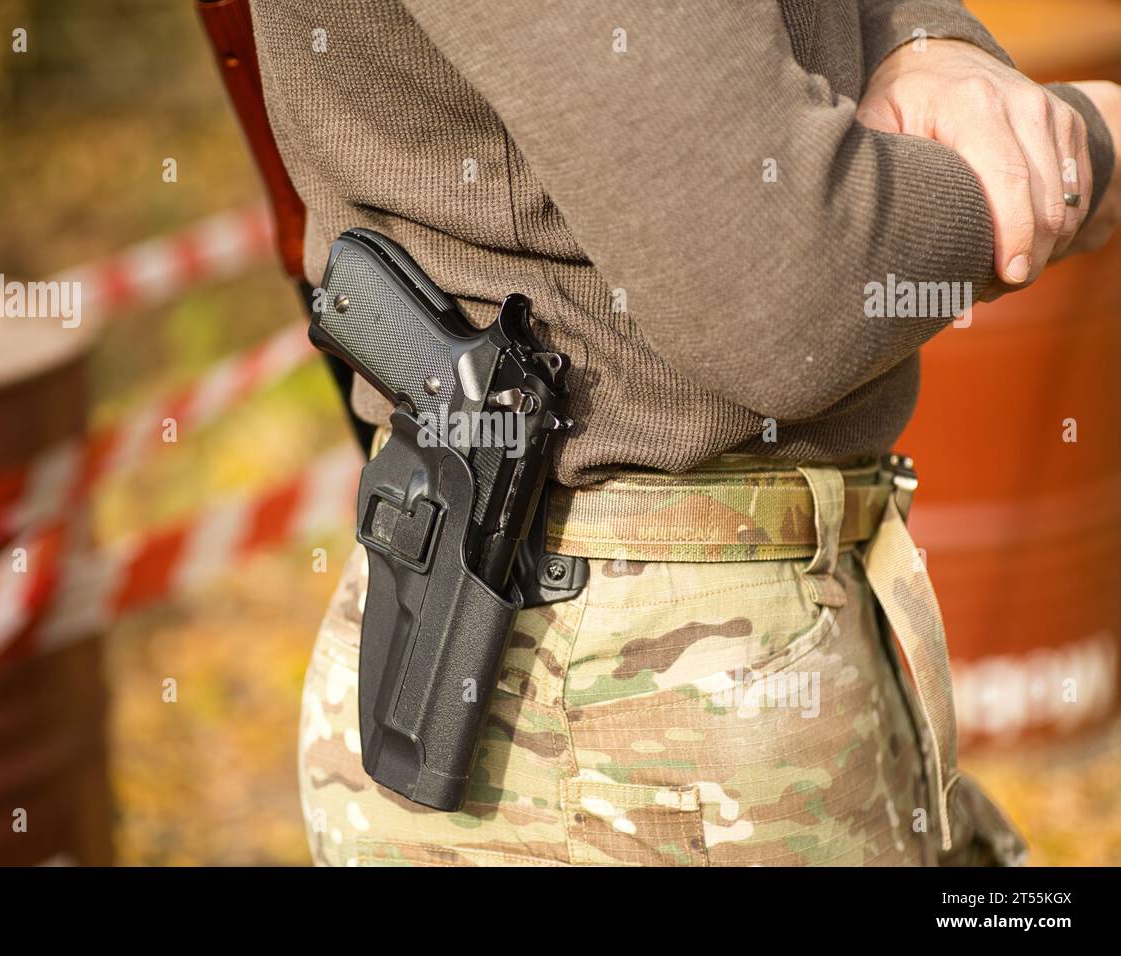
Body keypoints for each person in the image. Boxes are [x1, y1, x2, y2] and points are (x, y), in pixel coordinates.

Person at [250, 0, 1120, 865]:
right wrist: (1077, 157)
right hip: (626, 697)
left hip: (612, 614)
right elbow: (787, 290)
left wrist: (923, 38)